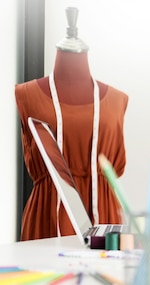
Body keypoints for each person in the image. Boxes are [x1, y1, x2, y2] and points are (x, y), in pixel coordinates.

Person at [15, 7, 128, 240]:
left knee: (105, 277)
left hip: (104, 216)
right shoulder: (26, 95)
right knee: (46, 276)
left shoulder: (117, 100)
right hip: (47, 214)